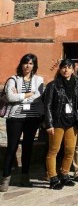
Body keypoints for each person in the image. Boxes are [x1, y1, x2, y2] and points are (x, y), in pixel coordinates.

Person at [1, 54, 44, 192]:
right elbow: (10, 96)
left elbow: (38, 96)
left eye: (31, 63)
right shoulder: (13, 79)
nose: (28, 66)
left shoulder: (39, 80)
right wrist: (27, 94)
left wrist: (19, 97)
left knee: (28, 148)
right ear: (21, 64)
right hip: (15, 118)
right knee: (11, 148)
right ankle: (6, 178)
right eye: (25, 63)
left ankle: (25, 177)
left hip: (32, 118)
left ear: (34, 66)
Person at [44, 59, 78, 190]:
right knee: (53, 150)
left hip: (71, 123)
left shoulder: (76, 84)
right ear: (60, 69)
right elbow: (47, 105)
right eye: (64, 67)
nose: (66, 70)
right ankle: (53, 178)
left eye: (69, 67)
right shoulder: (53, 85)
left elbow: (77, 103)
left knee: (70, 150)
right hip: (57, 122)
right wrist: (49, 124)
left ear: (73, 70)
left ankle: (64, 174)